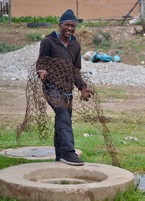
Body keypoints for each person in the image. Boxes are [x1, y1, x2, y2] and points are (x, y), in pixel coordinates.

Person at [36, 9, 93, 166]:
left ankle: (60, 156)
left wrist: (82, 87)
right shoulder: (48, 41)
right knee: (62, 113)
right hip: (51, 87)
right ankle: (69, 153)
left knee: (63, 119)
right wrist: (41, 71)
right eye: (67, 25)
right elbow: (41, 62)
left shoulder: (75, 45)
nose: (70, 28)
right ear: (60, 25)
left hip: (67, 90)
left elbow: (75, 70)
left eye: (73, 26)